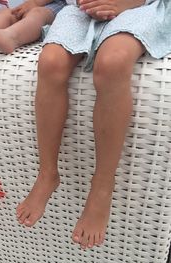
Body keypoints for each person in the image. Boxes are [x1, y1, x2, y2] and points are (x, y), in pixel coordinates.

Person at [16, 0, 170, 250]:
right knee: (50, 62)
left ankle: (102, 186)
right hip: (82, 9)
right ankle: (47, 173)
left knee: (113, 62)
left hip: (141, 6)